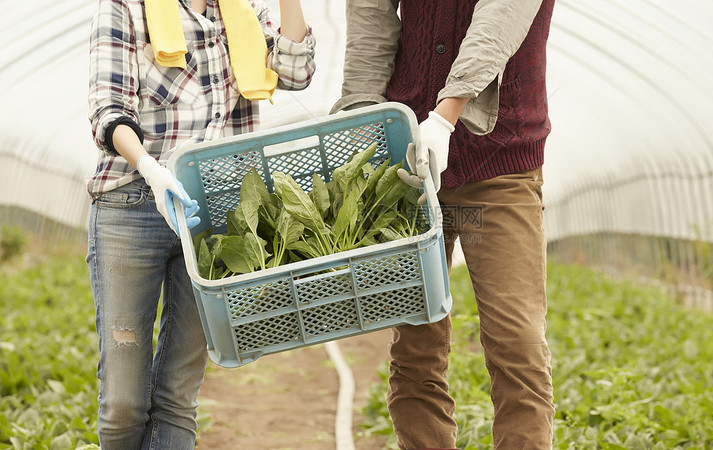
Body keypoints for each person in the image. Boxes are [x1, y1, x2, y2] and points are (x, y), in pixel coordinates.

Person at [86, 0, 315, 446]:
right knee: (122, 406)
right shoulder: (126, 7)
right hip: (132, 204)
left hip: (212, 212)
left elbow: (296, 72)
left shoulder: (246, 9)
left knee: (177, 396)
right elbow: (107, 106)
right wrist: (151, 168)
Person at [331, 0, 556, 448]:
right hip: (411, 161)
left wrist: (446, 117)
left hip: (499, 164)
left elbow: (499, 17)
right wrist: (361, 114)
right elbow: (370, 13)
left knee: (518, 341)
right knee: (417, 346)